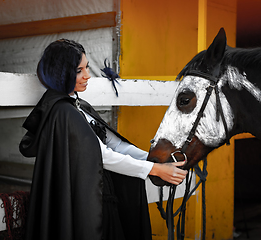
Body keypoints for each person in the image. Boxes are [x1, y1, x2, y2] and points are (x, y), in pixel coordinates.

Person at [19, 39, 187, 240]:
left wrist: (154, 160)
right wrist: (155, 169)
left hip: (101, 194)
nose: (87, 75)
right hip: (88, 201)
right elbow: (102, 156)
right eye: (79, 70)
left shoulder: (79, 106)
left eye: (87, 67)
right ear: (61, 72)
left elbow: (114, 144)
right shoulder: (63, 112)